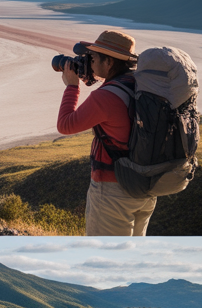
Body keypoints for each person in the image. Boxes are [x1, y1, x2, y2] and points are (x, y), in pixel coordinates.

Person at [56, 29, 155, 236]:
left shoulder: (105, 97)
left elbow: (65, 125)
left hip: (113, 190)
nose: (89, 62)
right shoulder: (142, 86)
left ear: (109, 62)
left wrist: (72, 87)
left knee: (105, 251)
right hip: (146, 187)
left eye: (93, 58)